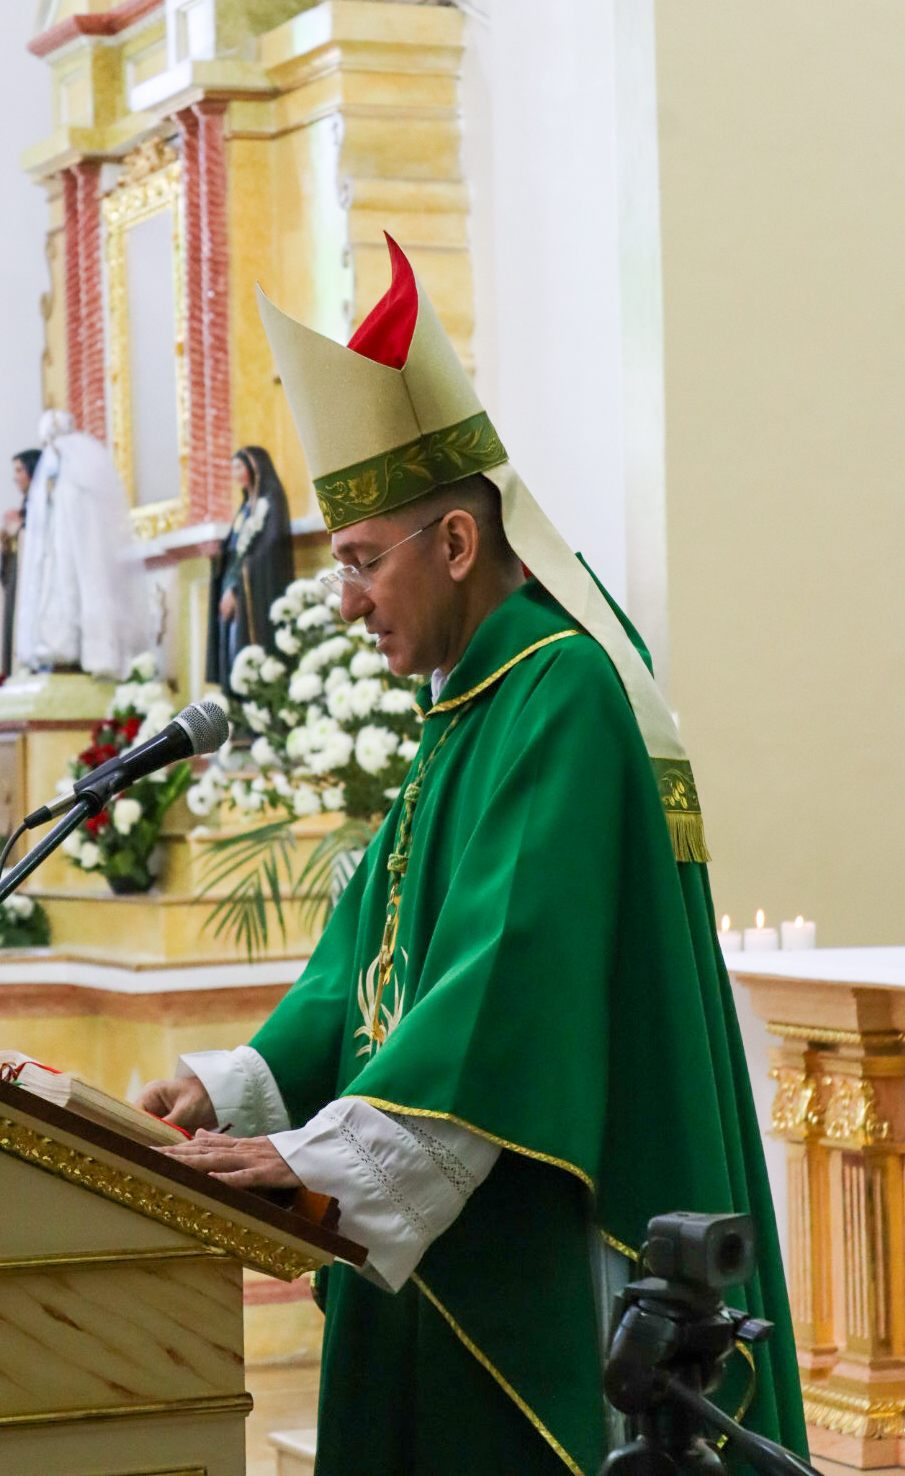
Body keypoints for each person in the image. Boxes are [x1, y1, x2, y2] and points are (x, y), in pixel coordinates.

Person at [138, 237, 807, 1475]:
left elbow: (507, 981)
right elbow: (370, 962)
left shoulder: (560, 694)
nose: (342, 602)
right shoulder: (469, 706)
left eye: (358, 560)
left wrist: (314, 1159)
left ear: (455, 542)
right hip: (440, 1239)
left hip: (532, 1253)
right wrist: (239, 1093)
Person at [15, 409, 149, 679]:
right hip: (54, 552)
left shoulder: (78, 477)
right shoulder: (55, 476)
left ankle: (85, 651)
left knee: (76, 591)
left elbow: (85, 523)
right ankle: (55, 648)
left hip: (75, 553)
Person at [205, 446, 294, 693]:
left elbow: (268, 547)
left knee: (243, 644)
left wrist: (236, 589)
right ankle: (233, 702)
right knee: (230, 646)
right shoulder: (245, 509)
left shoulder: (270, 502)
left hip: (250, 588)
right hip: (232, 582)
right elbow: (234, 545)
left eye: (238, 467)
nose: (234, 473)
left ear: (254, 468)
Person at [0, 448, 41, 679]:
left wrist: (20, 531)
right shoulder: (25, 508)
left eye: (19, 470)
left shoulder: (44, 505)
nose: (15, 477)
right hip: (17, 582)